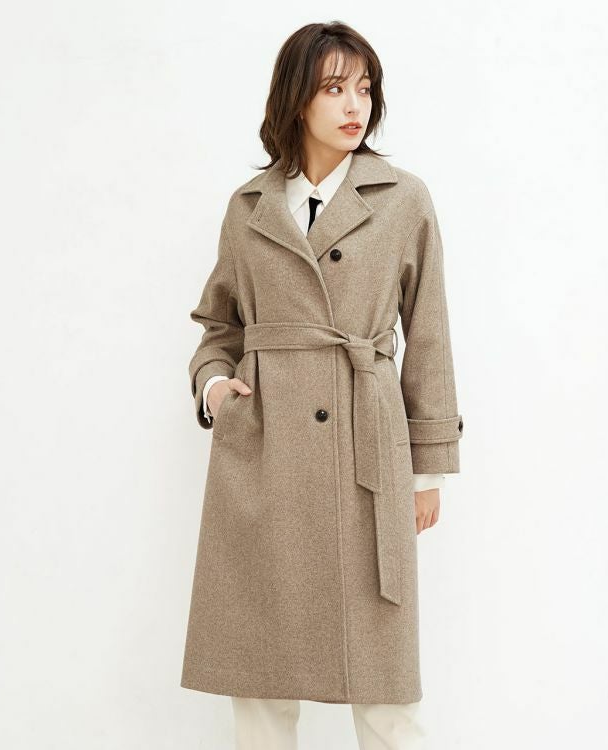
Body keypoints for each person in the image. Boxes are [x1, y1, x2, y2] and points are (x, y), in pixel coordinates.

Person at [180, 20, 463, 750]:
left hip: (367, 456)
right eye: (334, 87)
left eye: (364, 88)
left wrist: (427, 469)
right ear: (296, 98)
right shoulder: (250, 207)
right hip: (264, 456)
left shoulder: (403, 199)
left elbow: (428, 334)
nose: (354, 105)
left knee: (386, 693)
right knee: (260, 685)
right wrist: (215, 387)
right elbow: (218, 326)